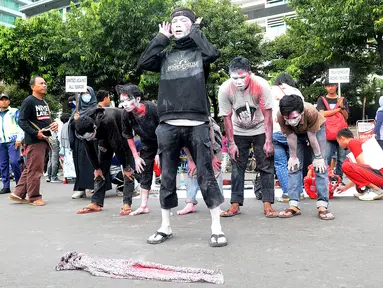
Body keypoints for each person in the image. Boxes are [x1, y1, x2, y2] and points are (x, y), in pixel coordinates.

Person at [138, 7, 226, 247]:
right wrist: (161, 39)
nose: (177, 23)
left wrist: (196, 30)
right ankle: (165, 226)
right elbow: (144, 62)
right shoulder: (165, 56)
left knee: (206, 174)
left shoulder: (200, 53)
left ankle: (216, 228)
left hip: (197, 122)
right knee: (166, 176)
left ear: (192, 25)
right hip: (168, 124)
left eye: (183, 20)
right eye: (174, 20)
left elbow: (213, 53)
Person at [218, 57, 276, 218]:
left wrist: (269, 141)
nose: (238, 81)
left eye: (242, 77)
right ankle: (235, 205)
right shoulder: (225, 89)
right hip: (238, 131)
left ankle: (267, 205)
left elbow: (268, 115)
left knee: (266, 166)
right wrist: (231, 144)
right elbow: (227, 118)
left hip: (260, 129)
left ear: (250, 74)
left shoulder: (261, 85)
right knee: (237, 167)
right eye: (234, 77)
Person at [277, 95, 335, 220]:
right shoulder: (281, 115)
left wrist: (318, 157)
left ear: (301, 112)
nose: (290, 120)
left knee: (320, 167)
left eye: (293, 117)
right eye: (287, 118)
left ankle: (322, 205)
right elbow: (290, 136)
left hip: (316, 131)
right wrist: (293, 157)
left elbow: (312, 136)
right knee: (294, 167)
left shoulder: (310, 112)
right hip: (296, 134)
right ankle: (293, 205)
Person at [9, 76, 58, 206]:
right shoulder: (29, 101)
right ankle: (34, 197)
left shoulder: (44, 102)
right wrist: (36, 133)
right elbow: (22, 121)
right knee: (35, 170)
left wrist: (53, 124)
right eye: (41, 83)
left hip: (44, 139)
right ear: (33, 87)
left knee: (31, 167)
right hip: (34, 141)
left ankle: (18, 193)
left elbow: (44, 119)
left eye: (45, 83)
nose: (44, 85)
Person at [75, 107, 135, 214]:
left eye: (91, 136)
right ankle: (96, 202)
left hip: (121, 133)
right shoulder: (82, 126)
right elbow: (89, 149)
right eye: (87, 137)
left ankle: (127, 203)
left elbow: (118, 145)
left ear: (94, 127)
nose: (90, 139)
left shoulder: (108, 120)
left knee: (128, 170)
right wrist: (96, 168)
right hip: (104, 137)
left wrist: (126, 166)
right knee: (101, 170)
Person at [118, 84, 159, 216]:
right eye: (122, 101)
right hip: (146, 144)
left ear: (137, 98)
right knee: (144, 171)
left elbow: (164, 129)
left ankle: (166, 206)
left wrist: (160, 152)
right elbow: (128, 136)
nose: (125, 104)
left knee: (165, 171)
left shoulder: (152, 108)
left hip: (163, 142)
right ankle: (143, 205)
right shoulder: (126, 115)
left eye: (127, 100)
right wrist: (136, 156)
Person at [271, 73, 306, 202]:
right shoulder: (296, 91)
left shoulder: (270, 90)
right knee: (295, 162)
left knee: (280, 163)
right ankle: (299, 192)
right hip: (294, 131)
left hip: (274, 131)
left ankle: (287, 193)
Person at [177, 118, 223, 215]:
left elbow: (211, 140)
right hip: (195, 144)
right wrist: (190, 160)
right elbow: (184, 143)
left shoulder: (204, 118)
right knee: (192, 170)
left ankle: (217, 205)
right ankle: (190, 203)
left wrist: (213, 157)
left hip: (213, 144)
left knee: (215, 171)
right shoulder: (181, 121)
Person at [336, 128, 383, 200]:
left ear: (342, 138)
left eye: (338, 141)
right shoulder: (358, 143)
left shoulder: (353, 143)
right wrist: (346, 187)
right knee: (348, 163)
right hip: (378, 174)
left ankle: (376, 189)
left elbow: (364, 167)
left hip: (379, 175)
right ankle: (371, 189)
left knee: (346, 166)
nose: (339, 144)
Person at [316, 79, 349, 180]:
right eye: (328, 86)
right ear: (325, 87)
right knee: (327, 157)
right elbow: (322, 113)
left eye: (333, 85)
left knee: (342, 158)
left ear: (336, 86)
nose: (331, 87)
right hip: (327, 133)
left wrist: (342, 107)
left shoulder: (342, 100)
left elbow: (346, 117)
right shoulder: (321, 99)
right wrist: (337, 109)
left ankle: (339, 178)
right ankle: (328, 178)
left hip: (341, 134)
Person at [69, 87, 98, 199]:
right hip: (80, 141)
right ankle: (80, 189)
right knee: (80, 165)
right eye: (83, 93)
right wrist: (75, 120)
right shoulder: (77, 110)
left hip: (93, 140)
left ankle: (96, 186)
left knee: (94, 163)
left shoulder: (96, 108)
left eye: (87, 93)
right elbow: (71, 126)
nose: (85, 95)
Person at [0, 93, 23, 194]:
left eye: (6, 99)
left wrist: (19, 138)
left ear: (9, 101)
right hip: (1, 142)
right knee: (3, 165)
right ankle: (6, 186)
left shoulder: (14, 111)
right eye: (2, 100)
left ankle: (19, 185)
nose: (4, 101)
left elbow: (21, 125)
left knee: (14, 162)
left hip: (13, 141)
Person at [59, 113, 76, 181]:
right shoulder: (69, 125)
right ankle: (74, 176)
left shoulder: (63, 126)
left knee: (66, 162)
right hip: (70, 146)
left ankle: (66, 176)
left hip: (65, 146)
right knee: (72, 161)